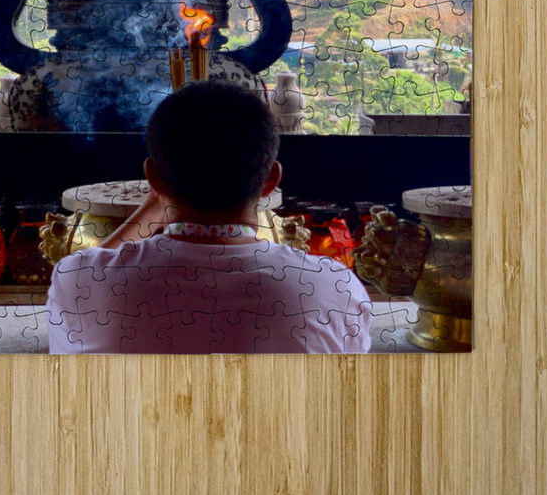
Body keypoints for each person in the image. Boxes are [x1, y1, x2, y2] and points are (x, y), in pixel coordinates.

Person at [46, 80, 372, 354]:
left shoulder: (77, 282)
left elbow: (96, 263)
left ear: (154, 179)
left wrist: (150, 209)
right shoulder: (336, 288)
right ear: (270, 180)